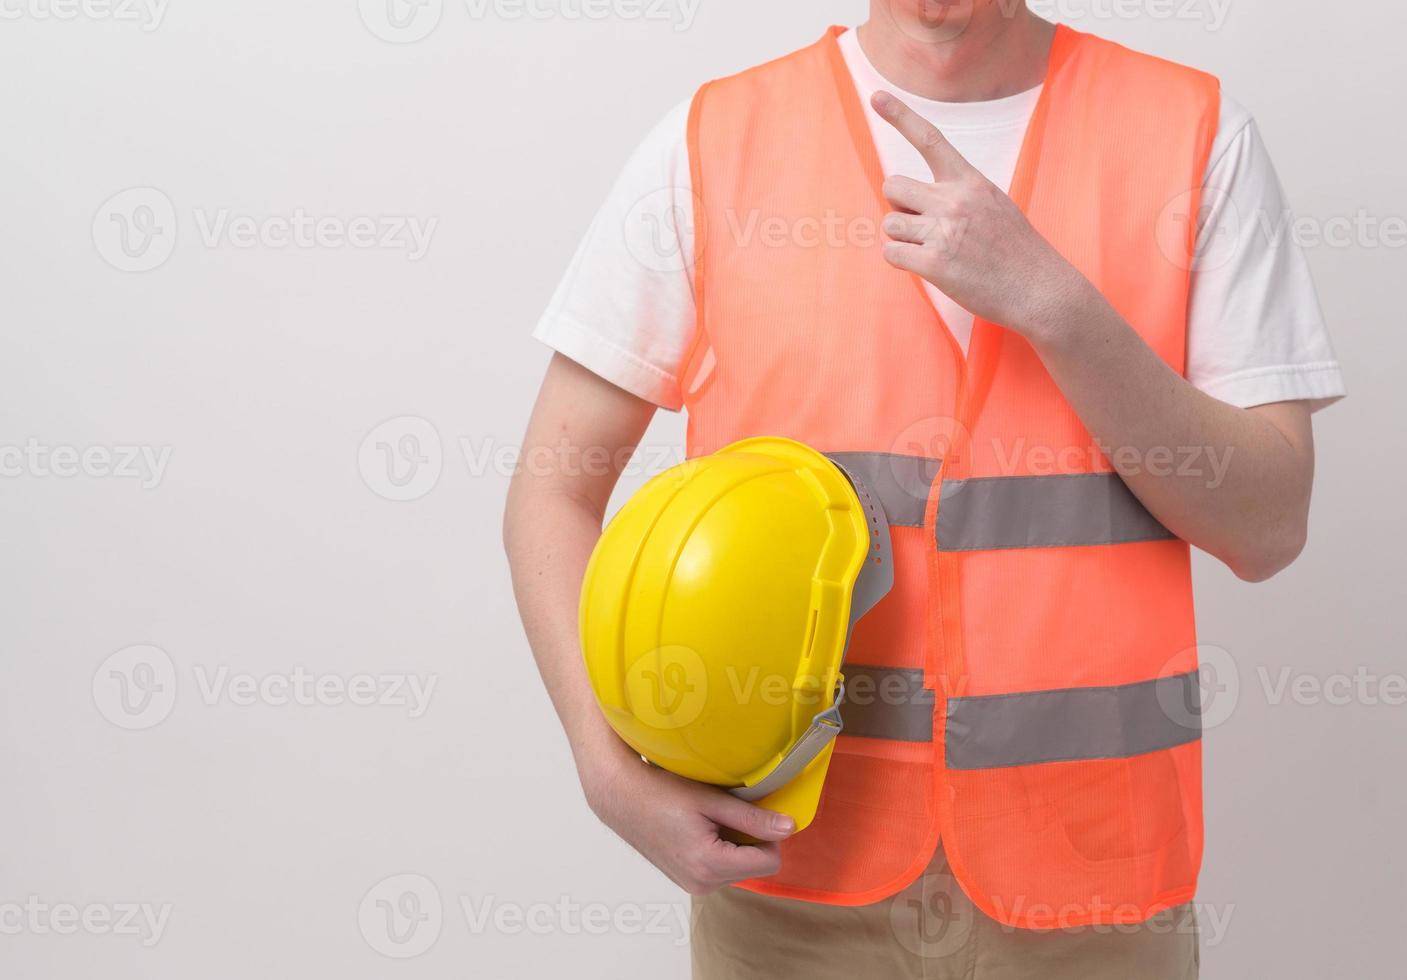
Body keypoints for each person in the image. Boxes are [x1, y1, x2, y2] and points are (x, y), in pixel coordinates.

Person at [505, 3, 1343, 977]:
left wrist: (1059, 308)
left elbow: (1269, 524)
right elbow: (551, 494)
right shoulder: (710, 143)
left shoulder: (1193, 134)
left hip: (1093, 892)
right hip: (791, 877)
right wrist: (606, 771)